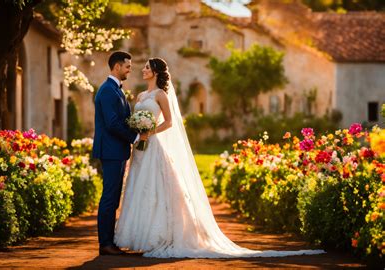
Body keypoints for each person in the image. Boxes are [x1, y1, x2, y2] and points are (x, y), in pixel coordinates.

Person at [114, 57, 325, 258]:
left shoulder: (161, 95)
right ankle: (138, 236)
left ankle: (159, 236)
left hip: (154, 144)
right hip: (141, 149)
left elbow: (169, 122)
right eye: (144, 68)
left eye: (147, 68)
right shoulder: (141, 96)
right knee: (139, 187)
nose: (143, 70)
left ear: (156, 73)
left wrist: (149, 132)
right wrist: (137, 130)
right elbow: (135, 119)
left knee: (157, 187)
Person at [92, 51, 148, 256]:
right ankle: (105, 244)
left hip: (117, 151)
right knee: (109, 197)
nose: (129, 70)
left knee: (114, 197)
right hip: (111, 151)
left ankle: (109, 241)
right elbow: (113, 123)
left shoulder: (115, 90)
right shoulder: (108, 90)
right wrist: (134, 138)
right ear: (117, 66)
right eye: (127, 66)